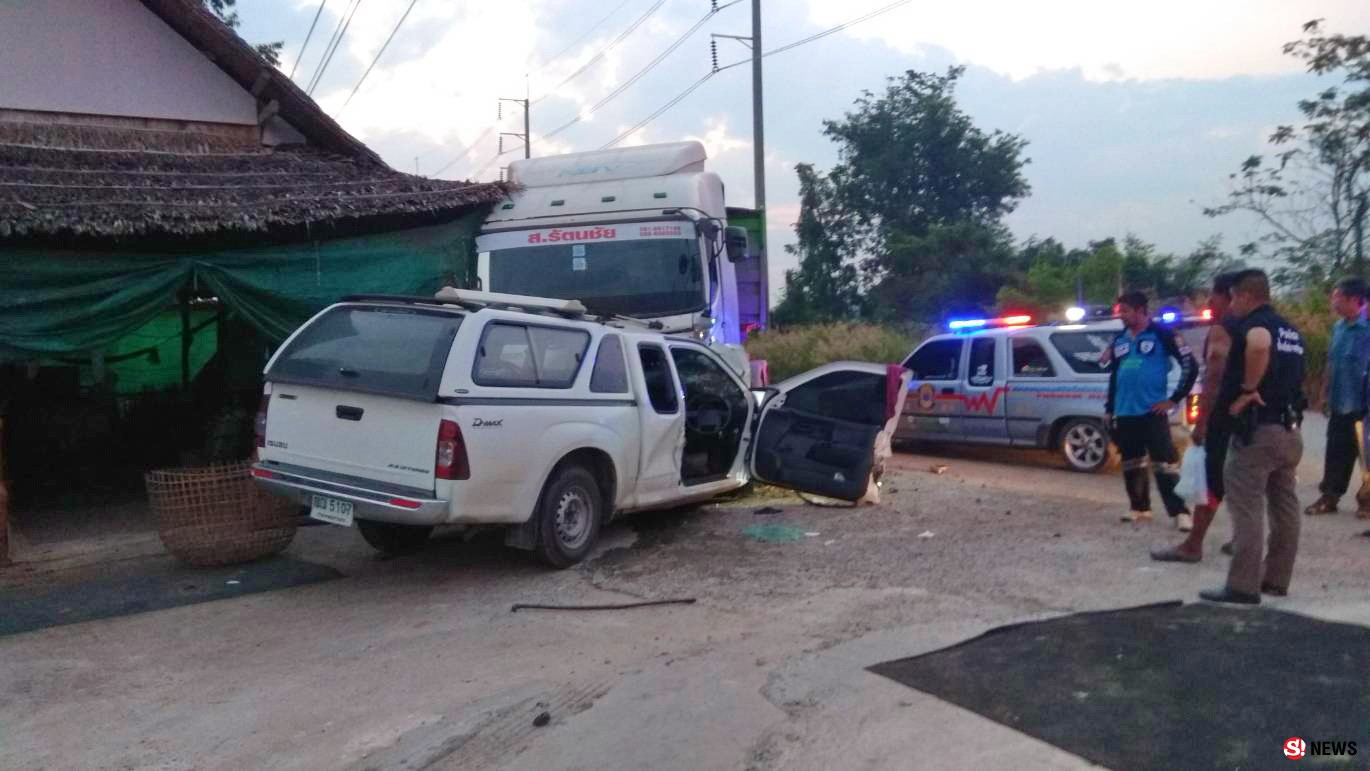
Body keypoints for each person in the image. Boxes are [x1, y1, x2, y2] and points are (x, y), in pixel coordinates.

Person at [1200, 269, 1306, 605]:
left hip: (1257, 431)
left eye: (1233, 298)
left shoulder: (1256, 325)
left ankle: (1242, 586)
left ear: (1245, 296)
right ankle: (1276, 579)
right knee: (1285, 507)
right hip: (1289, 430)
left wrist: (1247, 389)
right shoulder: (1291, 330)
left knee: (1246, 509)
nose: (1232, 305)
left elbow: (1259, 345)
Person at [1152, 272, 1242, 562]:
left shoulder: (1223, 329)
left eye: (1212, 296)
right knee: (1244, 483)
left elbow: (1214, 374)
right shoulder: (1261, 328)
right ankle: (1244, 538)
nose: (1209, 302)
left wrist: (1202, 421)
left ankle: (1193, 545)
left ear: (1228, 296)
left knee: (1212, 482)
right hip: (1254, 419)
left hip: (1224, 418)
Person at [1105, 291, 1199, 528]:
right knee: (1131, 461)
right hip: (1125, 411)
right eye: (1120, 311)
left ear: (1140, 311)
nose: (1121, 316)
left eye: (1125, 311)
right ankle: (1139, 507)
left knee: (1165, 463)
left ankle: (1180, 512)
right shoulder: (1120, 339)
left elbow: (1190, 366)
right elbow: (1115, 375)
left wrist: (1174, 398)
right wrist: (1110, 407)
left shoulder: (1164, 334)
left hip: (1152, 411)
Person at [1305, 277, 1370, 516]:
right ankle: (1330, 496)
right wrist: (1323, 394)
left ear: (1354, 300)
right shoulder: (1338, 328)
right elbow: (1331, 363)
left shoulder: (1367, 328)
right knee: (1336, 451)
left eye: (1337, 297)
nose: (1333, 302)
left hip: (1363, 403)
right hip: (1340, 400)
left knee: (1366, 453)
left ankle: (1367, 500)